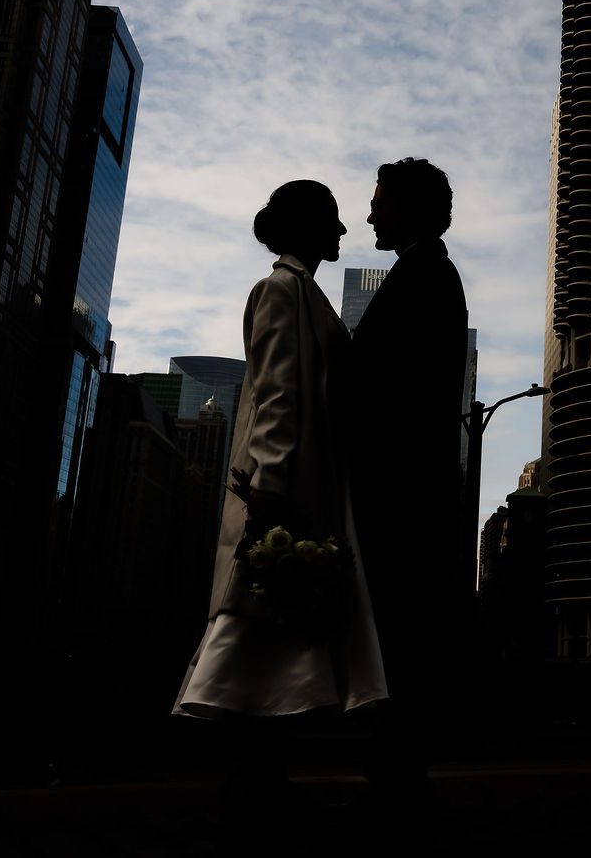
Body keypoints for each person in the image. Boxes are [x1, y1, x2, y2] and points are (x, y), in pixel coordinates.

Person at [172, 181, 385, 796]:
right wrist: (268, 493)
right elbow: (276, 397)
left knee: (274, 635)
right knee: (264, 629)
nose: (344, 233)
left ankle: (259, 780)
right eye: (333, 221)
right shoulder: (282, 291)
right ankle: (254, 782)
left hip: (300, 492)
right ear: (305, 227)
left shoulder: (302, 293)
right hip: (286, 494)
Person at [342, 157, 471, 802]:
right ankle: (397, 770)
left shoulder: (425, 278)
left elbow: (388, 390)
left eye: (380, 201)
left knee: (400, 632)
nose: (369, 214)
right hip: (410, 493)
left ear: (411, 208)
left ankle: (396, 778)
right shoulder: (427, 274)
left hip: (403, 498)